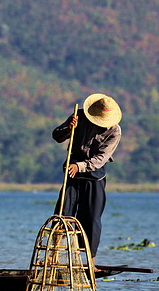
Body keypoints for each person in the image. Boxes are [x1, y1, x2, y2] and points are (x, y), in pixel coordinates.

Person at [52, 93, 122, 259]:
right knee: (63, 212)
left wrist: (80, 166)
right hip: (72, 171)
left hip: (94, 174)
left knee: (91, 218)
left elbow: (100, 159)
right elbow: (57, 136)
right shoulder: (80, 116)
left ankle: (91, 261)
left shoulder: (114, 131)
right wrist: (69, 127)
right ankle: (53, 253)